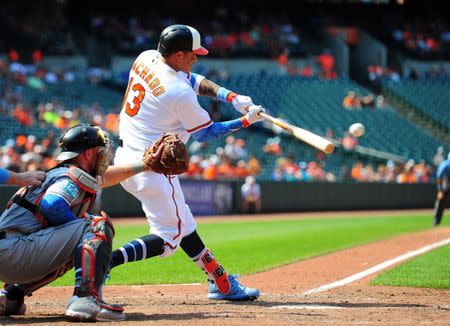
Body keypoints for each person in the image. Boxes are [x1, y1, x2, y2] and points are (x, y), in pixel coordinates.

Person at [112, 24, 263, 301]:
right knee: (168, 239)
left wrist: (231, 97)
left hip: (125, 159)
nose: (197, 58)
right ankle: (103, 263)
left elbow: (192, 79)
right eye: (193, 54)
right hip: (153, 168)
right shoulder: (177, 93)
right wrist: (246, 120)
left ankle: (220, 280)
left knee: (185, 225)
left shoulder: (147, 56)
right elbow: (206, 133)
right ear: (179, 55)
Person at [0, 124, 152, 321]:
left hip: (12, 250)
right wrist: (78, 229)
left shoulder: (65, 173)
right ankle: (85, 299)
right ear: (88, 154)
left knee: (80, 244)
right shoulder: (69, 176)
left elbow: (103, 179)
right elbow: (52, 204)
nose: (103, 155)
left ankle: (12, 296)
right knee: (95, 226)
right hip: (15, 251)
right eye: (99, 151)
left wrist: (145, 165)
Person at [433, 152, 450, 226]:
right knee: (440, 201)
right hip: (445, 183)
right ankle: (436, 221)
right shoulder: (445, 165)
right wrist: (440, 190)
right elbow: (439, 178)